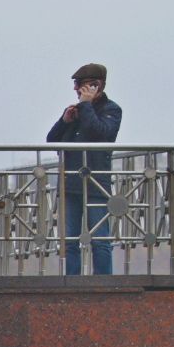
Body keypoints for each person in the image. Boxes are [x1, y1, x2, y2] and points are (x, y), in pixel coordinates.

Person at [46, 62, 122, 274]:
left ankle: (104, 282)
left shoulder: (112, 110)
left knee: (100, 240)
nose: (76, 89)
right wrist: (64, 121)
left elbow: (100, 133)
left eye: (80, 84)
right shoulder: (75, 112)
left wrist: (87, 106)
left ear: (96, 86)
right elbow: (52, 140)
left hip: (96, 184)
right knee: (69, 239)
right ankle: (71, 280)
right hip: (70, 184)